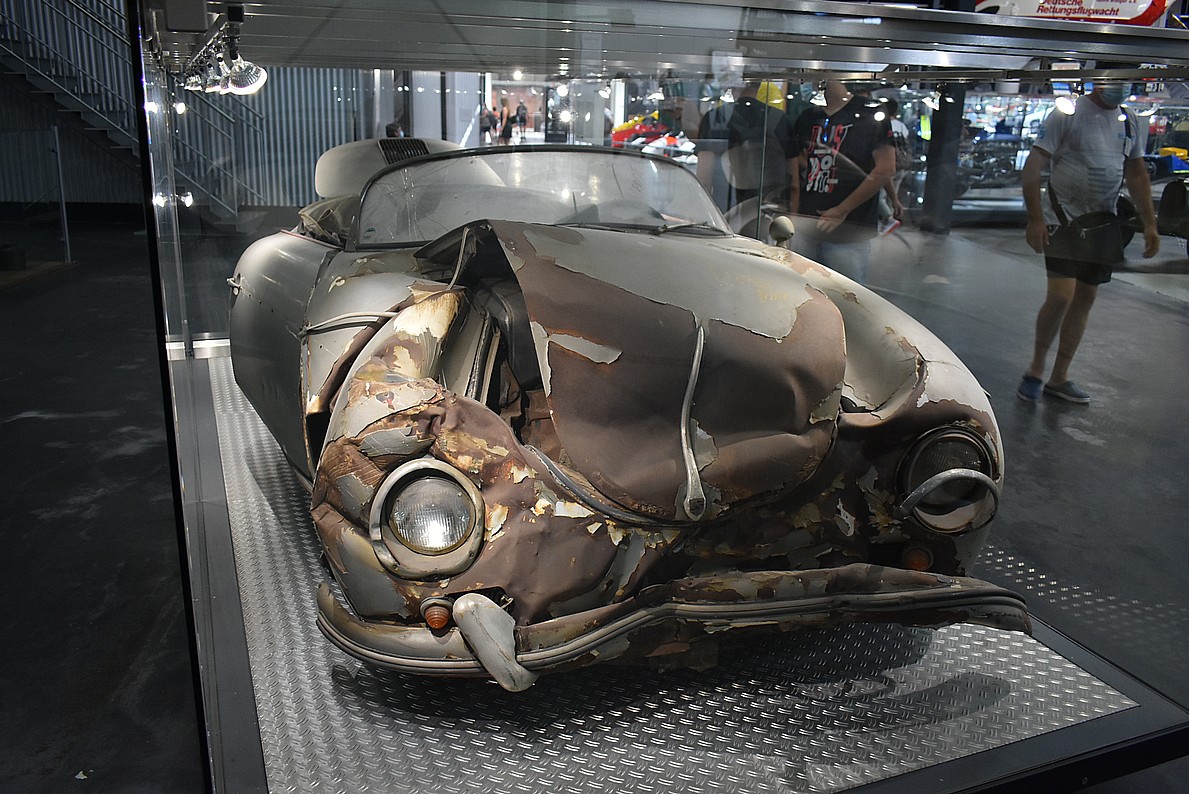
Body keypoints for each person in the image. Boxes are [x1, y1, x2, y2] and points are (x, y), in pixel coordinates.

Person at [1016, 84, 1159, 404]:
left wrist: (1150, 222)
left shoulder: (1130, 121)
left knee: (1085, 297)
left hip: (1102, 221)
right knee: (1060, 297)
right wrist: (1035, 218)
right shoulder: (1068, 114)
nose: (1123, 87)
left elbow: (1136, 173)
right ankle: (1035, 370)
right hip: (1063, 220)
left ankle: (1059, 376)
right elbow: (1034, 166)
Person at [788, 79, 896, 281]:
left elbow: (886, 168)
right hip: (808, 222)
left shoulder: (869, 112)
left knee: (843, 292)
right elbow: (799, 158)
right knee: (802, 289)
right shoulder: (809, 116)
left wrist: (843, 209)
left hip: (849, 229)